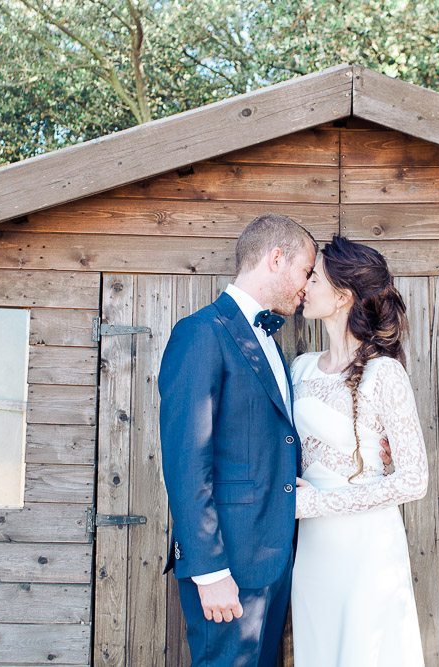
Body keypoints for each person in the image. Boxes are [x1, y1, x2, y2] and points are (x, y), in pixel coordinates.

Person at [159, 213, 316, 666]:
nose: (306, 285)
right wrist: (209, 570)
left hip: (272, 559)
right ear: (276, 258)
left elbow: (269, 443)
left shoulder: (270, 342)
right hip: (227, 564)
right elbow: (187, 461)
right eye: (305, 271)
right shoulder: (201, 333)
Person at [290, 234, 428, 666]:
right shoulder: (300, 368)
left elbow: (414, 479)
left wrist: (321, 503)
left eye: (315, 277)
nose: (305, 284)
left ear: (343, 295)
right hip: (313, 547)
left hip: (366, 546)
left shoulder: (385, 373)